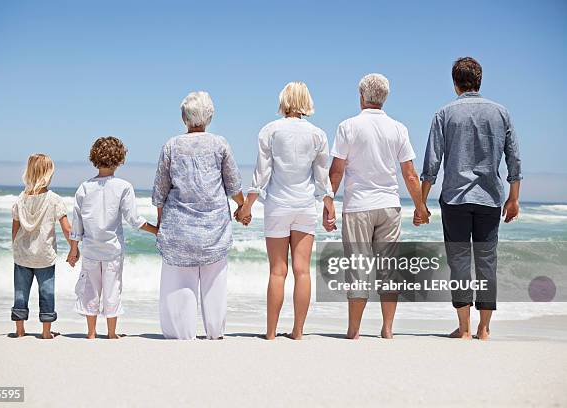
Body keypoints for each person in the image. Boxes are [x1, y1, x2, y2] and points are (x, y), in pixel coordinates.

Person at [419, 57, 522, 340]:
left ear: (455, 83)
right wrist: (513, 198)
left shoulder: (444, 113)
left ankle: (464, 329)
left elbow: (432, 163)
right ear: (480, 81)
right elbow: (514, 159)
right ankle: (484, 328)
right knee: (488, 262)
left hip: (455, 199)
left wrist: (421, 203)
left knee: (460, 262)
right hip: (490, 198)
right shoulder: (501, 113)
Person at [327, 73, 428, 339]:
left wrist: (329, 203)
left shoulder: (347, 126)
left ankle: (354, 330)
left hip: (358, 206)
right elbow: (410, 174)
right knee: (389, 268)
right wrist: (420, 207)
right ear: (384, 98)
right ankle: (388, 329)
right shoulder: (398, 128)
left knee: (357, 266)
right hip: (389, 206)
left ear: (362, 96)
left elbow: (336, 171)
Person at [238, 81, 336, 340]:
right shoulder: (318, 134)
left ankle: (270, 333)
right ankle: (298, 332)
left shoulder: (270, 130)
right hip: (304, 206)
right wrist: (329, 208)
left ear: (284, 100)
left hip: (278, 206)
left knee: (277, 271)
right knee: (302, 270)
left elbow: (261, 174)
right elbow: (322, 178)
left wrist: (246, 207)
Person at [152, 91, 244, 340]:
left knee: (180, 285)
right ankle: (215, 332)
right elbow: (233, 185)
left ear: (184, 117)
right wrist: (243, 208)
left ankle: (182, 334)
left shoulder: (171, 145)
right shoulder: (220, 144)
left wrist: (161, 224)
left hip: (179, 228)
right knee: (215, 284)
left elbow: (160, 190)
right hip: (214, 228)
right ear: (209, 116)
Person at [68, 136, 157, 339]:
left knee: (90, 290)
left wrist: (73, 250)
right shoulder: (123, 187)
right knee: (112, 290)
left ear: (94, 158)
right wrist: (157, 231)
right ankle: (111, 333)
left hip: (90, 250)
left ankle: (91, 333)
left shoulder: (84, 187)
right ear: (119, 160)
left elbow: (76, 224)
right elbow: (135, 220)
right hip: (113, 251)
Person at [10, 153, 75, 339]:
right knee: (46, 292)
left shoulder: (20, 199)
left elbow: (15, 230)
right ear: (48, 174)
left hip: (22, 255)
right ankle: (46, 332)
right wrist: (74, 249)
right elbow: (67, 229)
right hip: (45, 256)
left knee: (20, 292)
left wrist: (16, 248)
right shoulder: (54, 199)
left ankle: (20, 330)